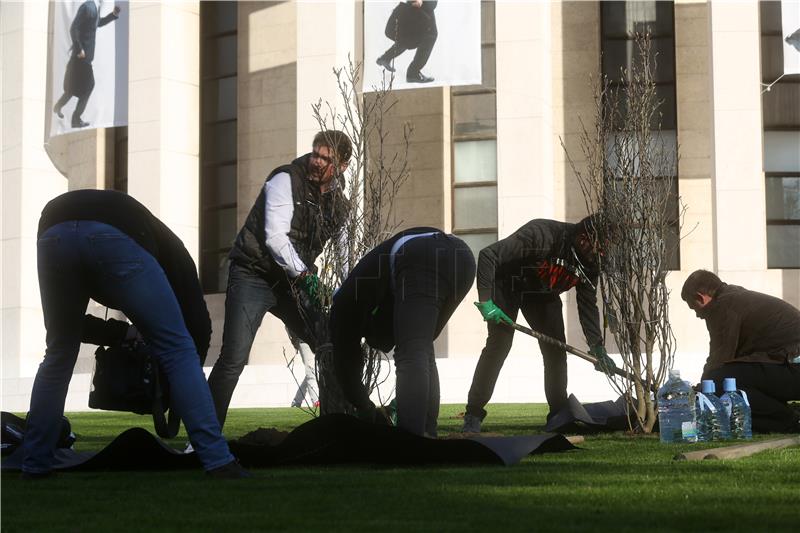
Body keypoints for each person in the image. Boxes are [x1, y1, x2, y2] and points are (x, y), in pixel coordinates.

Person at [23, 189, 248, 478]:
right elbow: (197, 331)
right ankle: (218, 461)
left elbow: (70, 326)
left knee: (58, 350)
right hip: (112, 232)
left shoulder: (153, 243)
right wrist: (175, 399)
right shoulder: (175, 256)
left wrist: (126, 333)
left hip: (53, 231)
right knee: (178, 349)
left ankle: (35, 464)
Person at [207, 130, 351, 429]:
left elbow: (343, 255)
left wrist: (346, 290)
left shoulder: (339, 204)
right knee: (233, 358)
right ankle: (202, 441)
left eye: (326, 159)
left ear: (343, 166)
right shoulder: (285, 179)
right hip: (253, 273)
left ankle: (336, 429)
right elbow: (275, 239)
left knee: (329, 343)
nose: (317, 162)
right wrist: (307, 278)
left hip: (292, 283)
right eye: (316, 154)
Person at [461, 215, 617, 433]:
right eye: (600, 248)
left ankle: (558, 415)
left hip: (542, 295)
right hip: (508, 285)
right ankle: (473, 413)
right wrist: (486, 301)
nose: (602, 254)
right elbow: (488, 255)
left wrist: (597, 346)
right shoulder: (542, 235)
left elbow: (587, 304)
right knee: (499, 345)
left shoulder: (591, 263)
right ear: (583, 239)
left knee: (556, 352)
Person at [330, 228, 476, 437]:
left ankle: (411, 440)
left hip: (421, 255)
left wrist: (363, 407)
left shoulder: (344, 308)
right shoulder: (372, 292)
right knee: (421, 348)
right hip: (462, 259)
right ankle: (426, 433)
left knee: (412, 351)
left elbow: (346, 368)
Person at [681, 270, 800, 433]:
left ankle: (788, 420)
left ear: (700, 297)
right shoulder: (736, 297)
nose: (697, 315)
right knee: (729, 377)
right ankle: (785, 416)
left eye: (694, 308)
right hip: (788, 364)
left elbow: (719, 360)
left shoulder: (723, 306)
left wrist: (699, 391)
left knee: (719, 380)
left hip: (792, 365)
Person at [53, 1, 121, 128]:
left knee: (72, 88)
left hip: (84, 57)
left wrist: (113, 15)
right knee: (89, 86)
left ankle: (58, 106)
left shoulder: (96, 6)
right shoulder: (87, 7)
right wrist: (79, 49)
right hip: (81, 57)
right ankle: (75, 119)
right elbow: (74, 28)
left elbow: (97, 23)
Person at [377, 0, 437, 83]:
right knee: (428, 35)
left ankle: (386, 58)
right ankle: (413, 73)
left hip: (424, 4)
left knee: (412, 35)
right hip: (422, 4)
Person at [288, 327, 319, 408]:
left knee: (312, 372)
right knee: (311, 372)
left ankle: (297, 400)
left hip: (316, 342)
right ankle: (316, 401)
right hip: (304, 342)